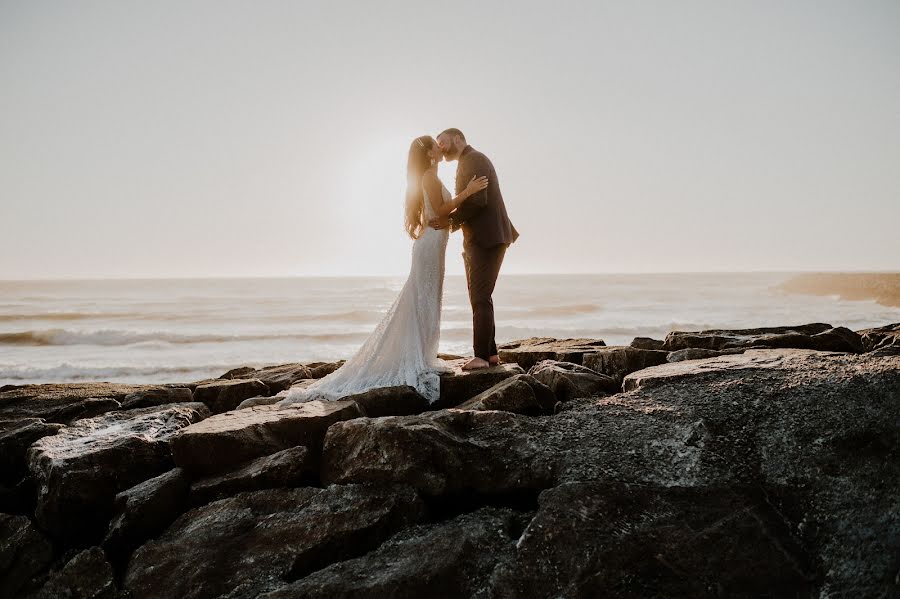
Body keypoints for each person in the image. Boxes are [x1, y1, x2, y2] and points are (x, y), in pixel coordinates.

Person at [277, 135, 488, 405]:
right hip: (430, 245)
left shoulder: (426, 176)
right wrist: (468, 192)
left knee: (427, 298)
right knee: (422, 298)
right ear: (429, 153)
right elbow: (442, 209)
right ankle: (419, 357)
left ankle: (423, 354)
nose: (441, 146)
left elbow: (439, 213)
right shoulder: (428, 177)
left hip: (434, 244)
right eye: (436, 145)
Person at [430, 128, 519, 370]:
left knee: (479, 296)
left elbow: (478, 201)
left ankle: (480, 356)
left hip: (486, 238)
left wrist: (449, 221)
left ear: (458, 138)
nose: (440, 147)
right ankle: (490, 354)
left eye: (443, 142)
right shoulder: (469, 160)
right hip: (484, 238)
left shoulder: (474, 159)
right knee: (481, 296)